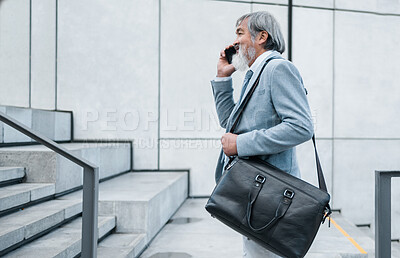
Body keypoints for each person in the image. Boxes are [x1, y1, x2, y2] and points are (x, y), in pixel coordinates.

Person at [210, 11, 314, 257]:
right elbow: (230, 122)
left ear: (262, 37)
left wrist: (241, 144)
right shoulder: (256, 73)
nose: (235, 42)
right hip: (256, 191)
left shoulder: (277, 69)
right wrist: (223, 78)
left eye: (240, 33)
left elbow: (301, 127)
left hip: (271, 194)